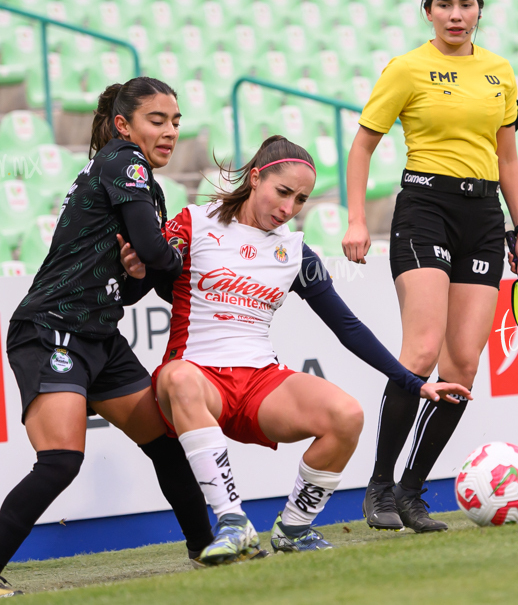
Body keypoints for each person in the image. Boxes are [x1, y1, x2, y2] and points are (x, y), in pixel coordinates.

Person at [121, 135, 470, 565]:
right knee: (176, 376)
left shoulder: (294, 252)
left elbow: (346, 327)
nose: (288, 209)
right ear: (254, 179)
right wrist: (135, 270)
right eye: (282, 192)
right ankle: (234, 525)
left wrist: (413, 383)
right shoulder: (194, 222)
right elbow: (141, 287)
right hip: (197, 376)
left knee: (346, 415)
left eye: (300, 200)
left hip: (259, 381)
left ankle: (294, 528)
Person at [0, 78, 215, 600]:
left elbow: (143, 280)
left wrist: (144, 267)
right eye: (157, 120)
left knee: (166, 446)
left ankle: (210, 550)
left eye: (176, 122)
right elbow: (160, 256)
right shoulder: (125, 161)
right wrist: (183, 257)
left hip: (100, 335)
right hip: (51, 329)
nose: (169, 132)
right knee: (61, 460)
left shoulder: (145, 184)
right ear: (124, 125)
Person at [341, 0, 518, 534]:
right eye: (445, 4)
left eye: (466, 4)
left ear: (480, 9)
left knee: (464, 365)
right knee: (421, 352)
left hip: (482, 216)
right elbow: (362, 147)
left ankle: (411, 491)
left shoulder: (500, 73)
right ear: (427, 9)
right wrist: (356, 220)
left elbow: (508, 160)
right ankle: (378, 485)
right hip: (424, 209)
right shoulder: (406, 68)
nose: (456, 15)